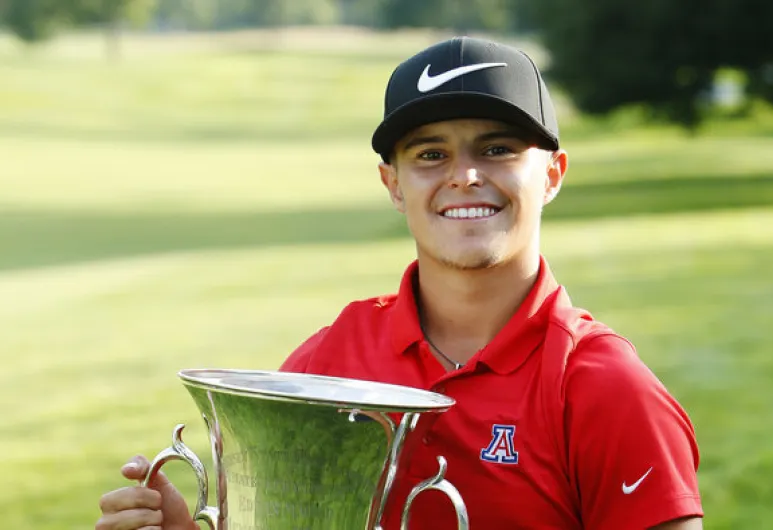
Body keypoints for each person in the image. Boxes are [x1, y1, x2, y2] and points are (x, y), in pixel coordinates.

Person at [96, 36, 704, 530]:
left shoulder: (605, 388)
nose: (465, 176)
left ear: (552, 174)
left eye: (496, 149)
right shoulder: (331, 362)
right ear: (393, 185)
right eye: (430, 155)